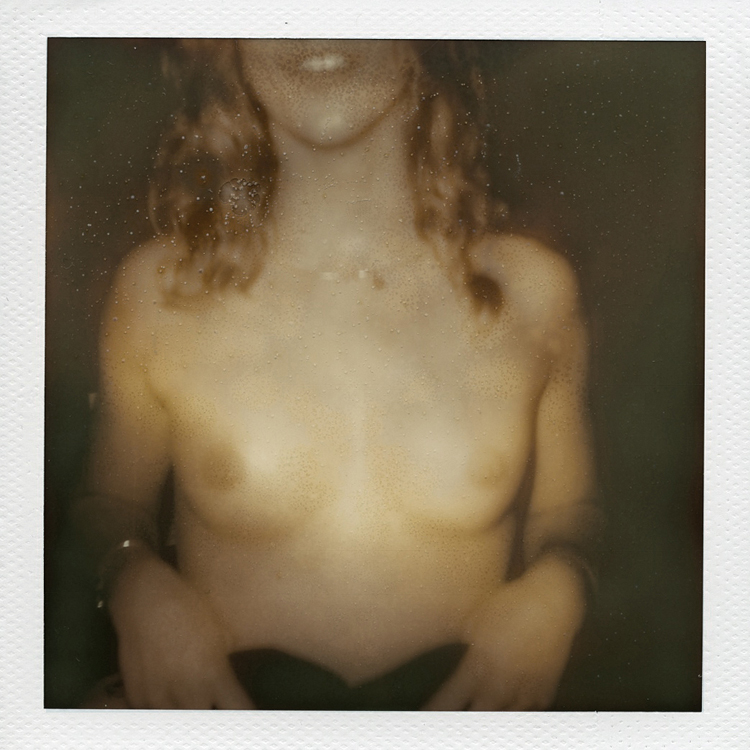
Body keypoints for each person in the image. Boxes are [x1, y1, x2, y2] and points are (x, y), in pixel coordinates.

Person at [75, 39, 600, 710]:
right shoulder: (160, 290)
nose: (317, 26)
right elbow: (106, 506)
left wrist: (559, 587)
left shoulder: (533, 291)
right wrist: (135, 584)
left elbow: (571, 511)